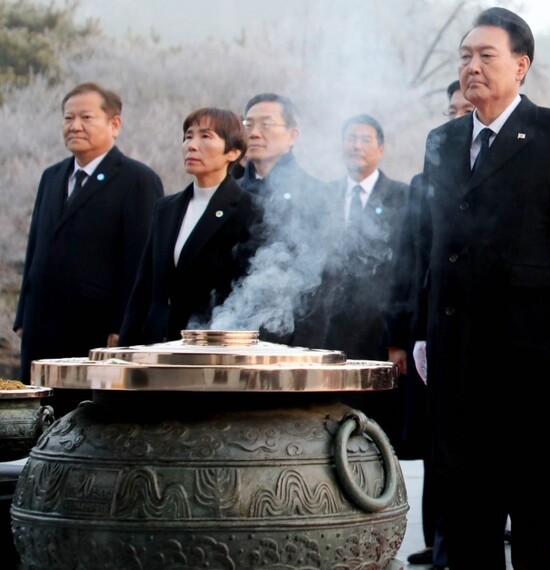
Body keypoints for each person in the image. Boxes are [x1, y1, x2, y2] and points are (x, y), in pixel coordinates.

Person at [413, 7, 550, 569]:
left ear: (521, 66)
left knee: (532, 501)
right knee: (466, 501)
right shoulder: (443, 138)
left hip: (530, 348)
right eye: (465, 56)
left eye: (486, 55)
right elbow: (433, 241)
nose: (472, 66)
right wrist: (423, 331)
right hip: (457, 346)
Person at [13, 82, 163, 385]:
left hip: (95, 327)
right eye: (68, 118)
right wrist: (23, 315)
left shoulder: (137, 180)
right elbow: (35, 248)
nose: (75, 126)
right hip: (41, 322)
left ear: (114, 124)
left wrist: (123, 326)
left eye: (86, 117)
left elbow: (138, 260)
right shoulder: (52, 176)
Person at [387, 80, 473, 569]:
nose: (460, 115)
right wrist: (403, 334)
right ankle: (435, 541)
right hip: (433, 329)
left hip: (483, 332)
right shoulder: (425, 179)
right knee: (438, 445)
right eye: (453, 109)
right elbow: (411, 261)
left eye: (467, 109)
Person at [119, 108, 256, 344]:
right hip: (157, 344)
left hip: (210, 347)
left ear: (233, 152)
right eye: (188, 136)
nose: (191, 145)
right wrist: (124, 349)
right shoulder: (165, 208)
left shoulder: (249, 210)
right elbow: (144, 288)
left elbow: (247, 290)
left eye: (206, 136)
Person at [317, 114, 408, 443]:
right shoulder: (322, 197)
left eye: (365, 139)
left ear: (381, 148)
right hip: (327, 333)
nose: (356, 145)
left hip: (377, 331)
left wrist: (399, 337)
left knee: (374, 429)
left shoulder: (403, 197)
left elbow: (408, 267)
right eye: (350, 138)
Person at [239, 93, 327, 344]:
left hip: (290, 341)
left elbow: (322, 287)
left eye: (266, 124)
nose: (254, 133)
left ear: (292, 135)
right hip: (230, 335)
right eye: (248, 124)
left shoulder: (317, 196)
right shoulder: (228, 197)